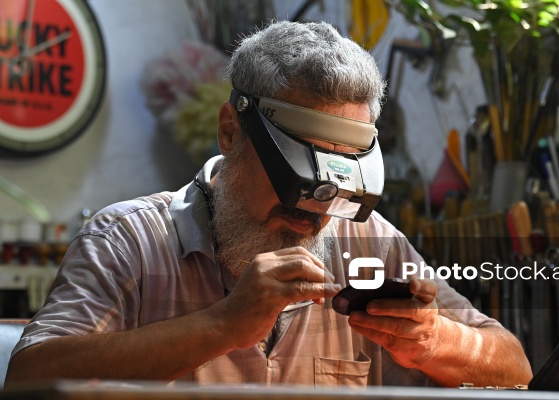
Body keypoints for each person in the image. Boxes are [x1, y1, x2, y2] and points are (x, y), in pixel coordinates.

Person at [6, 20, 532, 387]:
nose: (316, 207)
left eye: (337, 182)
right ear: (230, 132)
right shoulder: (128, 240)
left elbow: (515, 367)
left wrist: (433, 339)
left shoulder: (371, 243)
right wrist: (222, 325)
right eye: (295, 174)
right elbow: (30, 375)